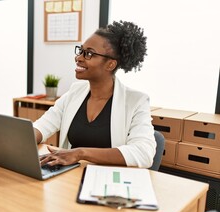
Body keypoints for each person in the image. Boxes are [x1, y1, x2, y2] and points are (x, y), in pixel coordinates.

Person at [33, 20, 156, 168]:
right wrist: (21, 139)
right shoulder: (75, 92)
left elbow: (143, 154)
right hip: (71, 177)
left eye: (89, 54)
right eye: (81, 51)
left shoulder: (136, 101)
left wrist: (80, 153)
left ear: (110, 64)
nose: (78, 58)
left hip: (109, 181)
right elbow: (44, 125)